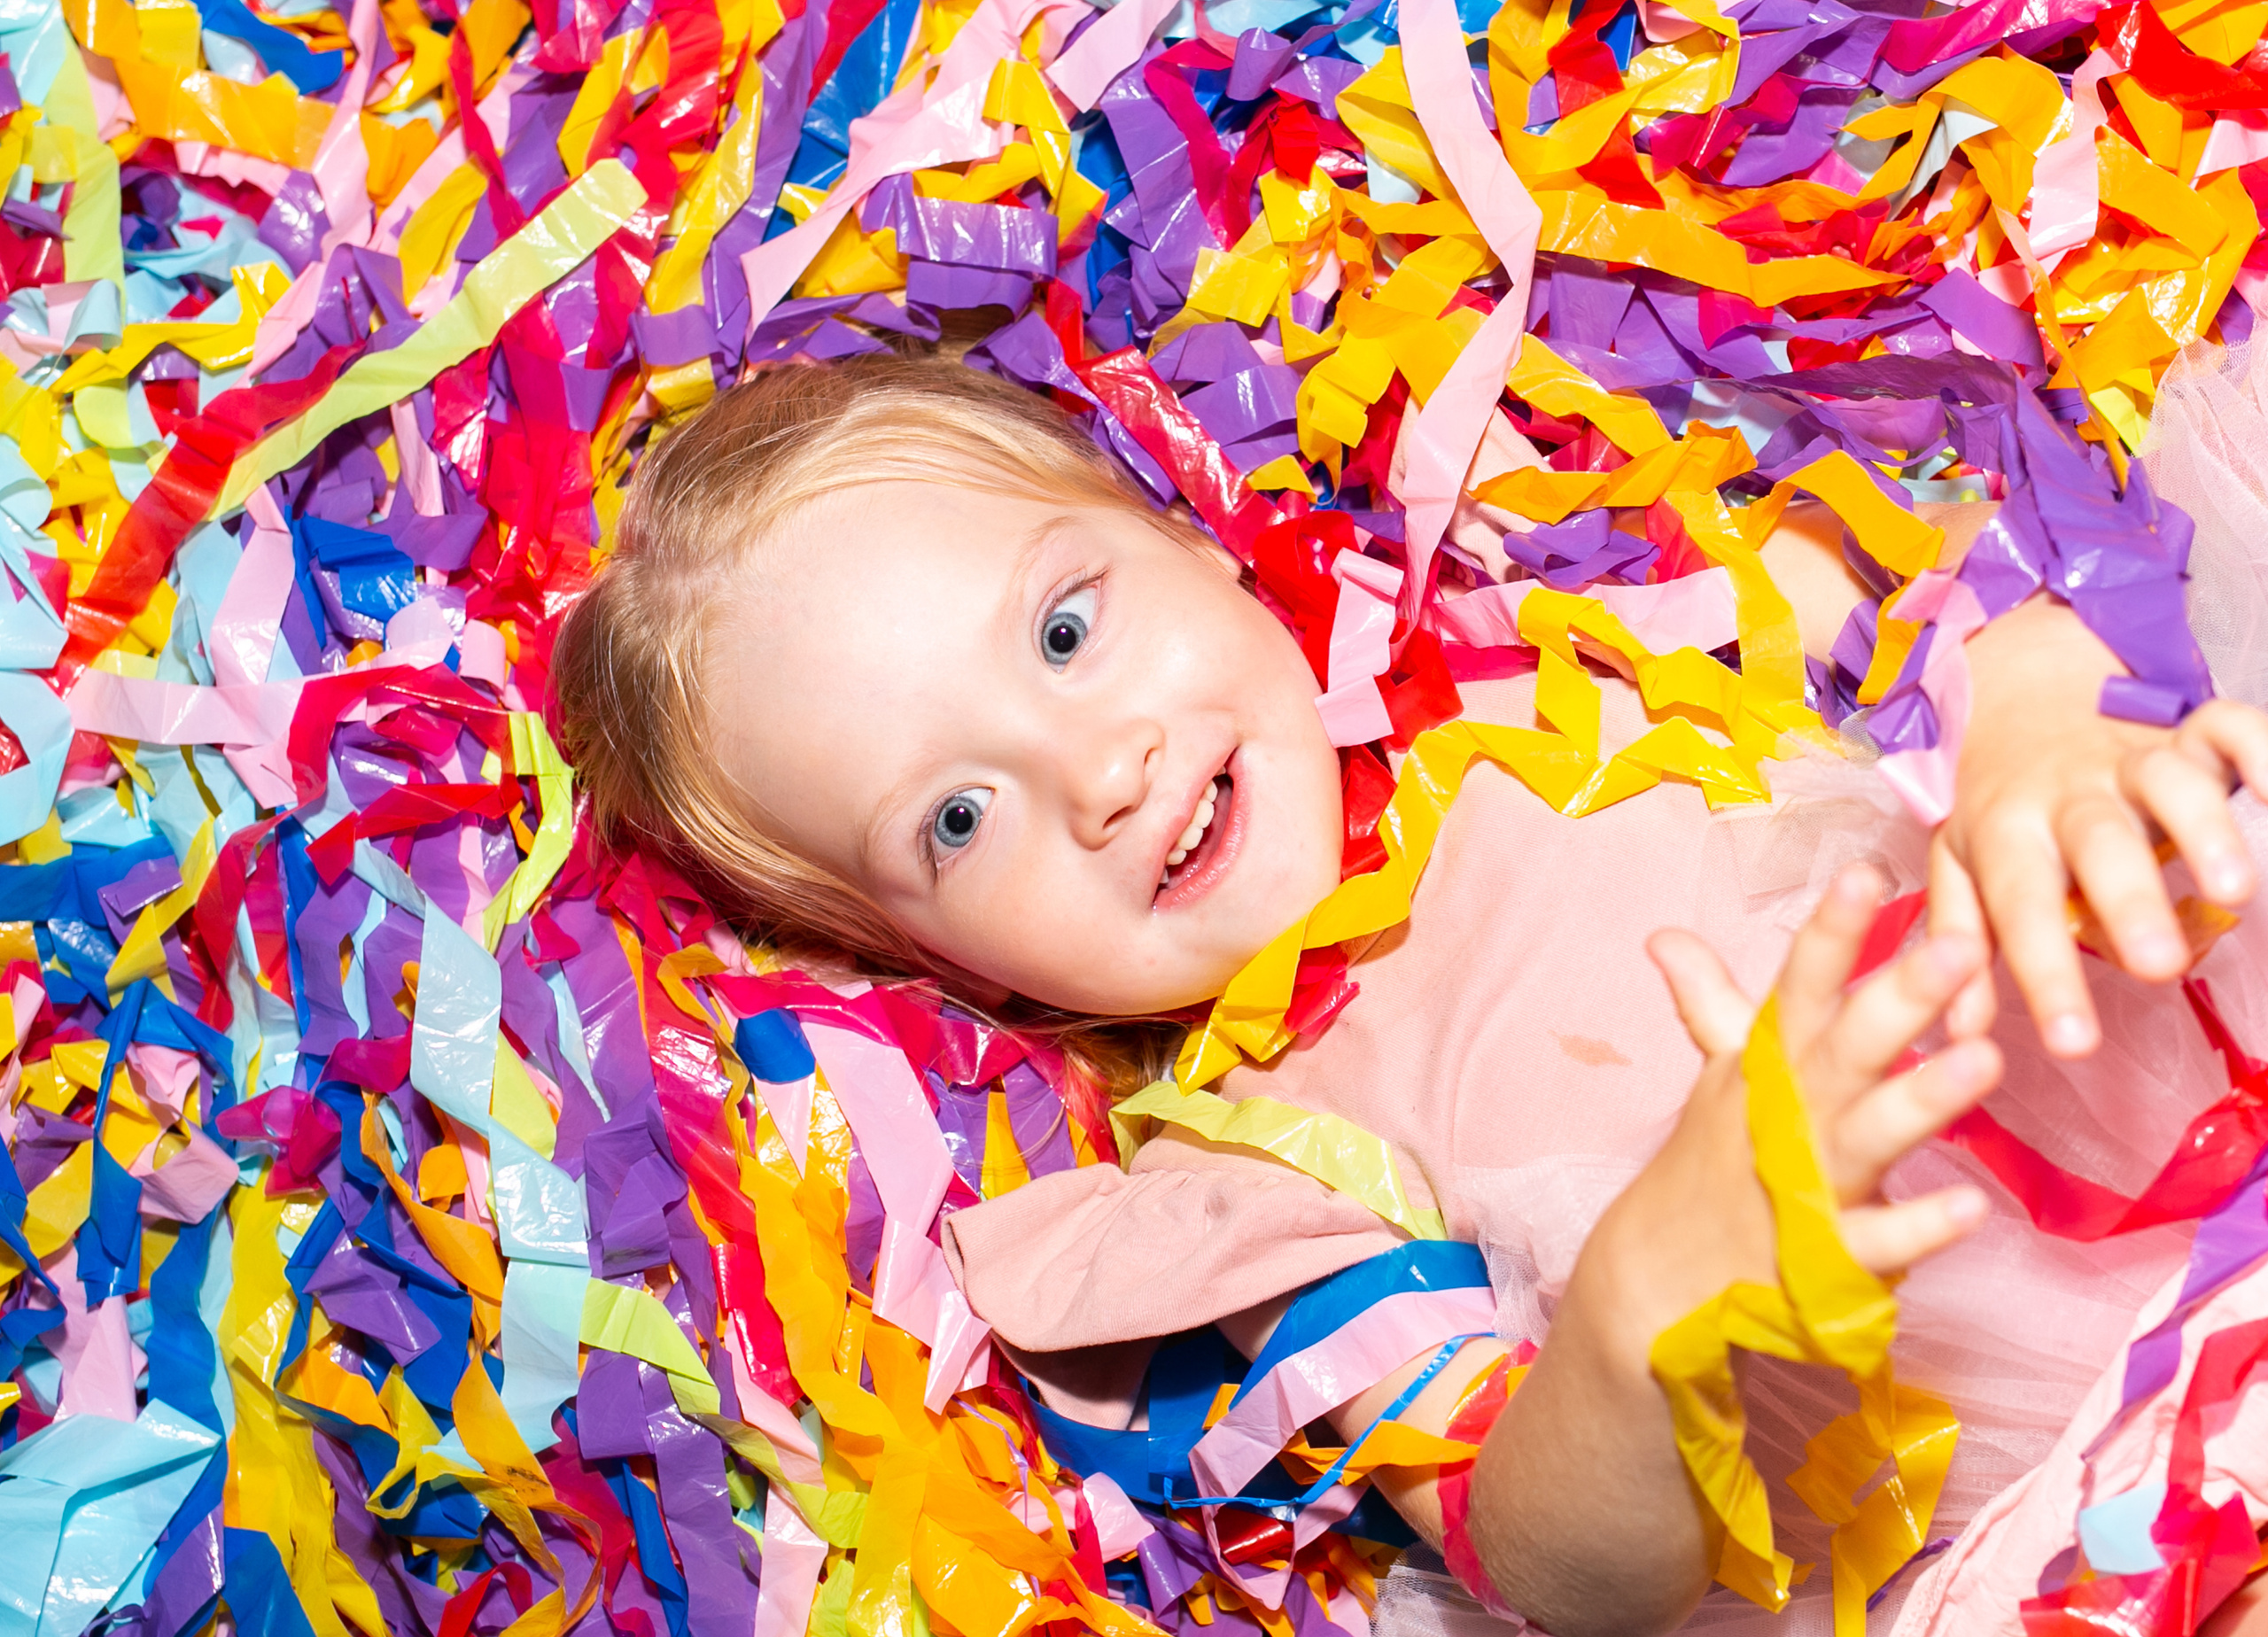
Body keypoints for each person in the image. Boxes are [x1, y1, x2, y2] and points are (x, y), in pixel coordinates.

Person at [550, 351, 2268, 1635]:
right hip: (2059, 1494)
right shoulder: (1239, 1186)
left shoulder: (1570, 654)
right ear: (943, 966)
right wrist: (1641, 1311)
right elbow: (1548, 1569)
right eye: (952, 817)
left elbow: (1960, 579)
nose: (1097, 769)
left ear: (1193, 541)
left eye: (1064, 633)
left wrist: (2036, 736)